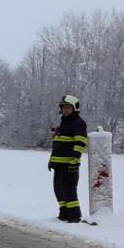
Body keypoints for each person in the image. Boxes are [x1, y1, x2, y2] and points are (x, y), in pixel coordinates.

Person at [48, 94, 88, 223]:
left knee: (69, 190)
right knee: (58, 190)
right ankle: (63, 214)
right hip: (58, 165)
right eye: (63, 107)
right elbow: (58, 144)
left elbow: (80, 143)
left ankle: (74, 216)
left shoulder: (78, 123)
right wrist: (51, 161)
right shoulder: (63, 123)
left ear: (74, 108)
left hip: (69, 165)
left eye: (68, 107)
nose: (65, 110)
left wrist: (74, 160)